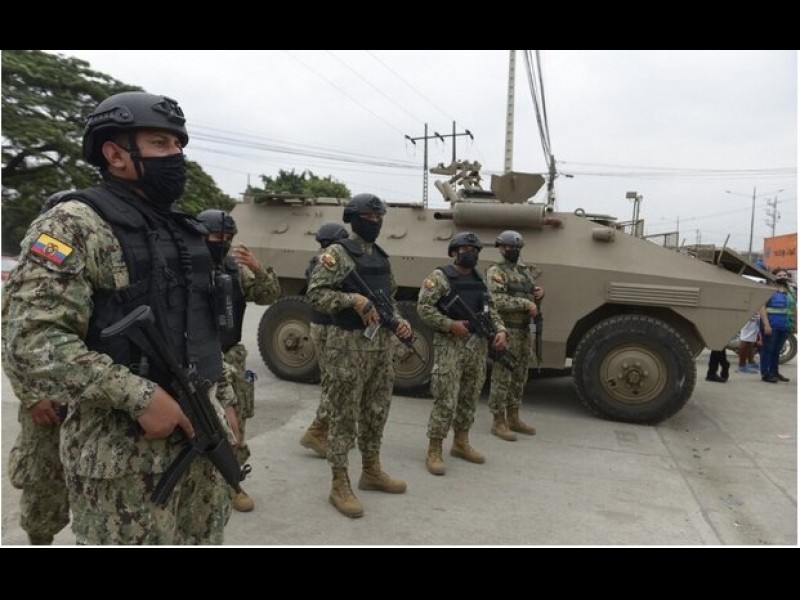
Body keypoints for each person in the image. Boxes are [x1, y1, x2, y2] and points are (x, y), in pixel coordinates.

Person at [1, 91, 238, 545]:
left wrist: (223, 396)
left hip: (201, 439)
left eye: (178, 145)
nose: (176, 156)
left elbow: (198, 330)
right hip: (122, 459)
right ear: (115, 154)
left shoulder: (180, 230)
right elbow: (31, 339)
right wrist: (140, 397)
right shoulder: (72, 225)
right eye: (159, 144)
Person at [306, 193, 412, 518]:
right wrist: (352, 300)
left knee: (376, 410)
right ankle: (339, 483)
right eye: (368, 217)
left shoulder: (380, 256)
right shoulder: (336, 254)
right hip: (347, 346)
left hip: (380, 346)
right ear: (353, 218)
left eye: (379, 217)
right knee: (343, 414)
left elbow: (389, 298)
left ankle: (371, 470)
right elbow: (316, 294)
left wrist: (400, 321)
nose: (375, 222)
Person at [196, 209, 281, 512]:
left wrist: (258, 269)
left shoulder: (236, 271)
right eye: (217, 236)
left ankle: (233, 481)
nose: (223, 242)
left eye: (229, 237)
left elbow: (268, 295)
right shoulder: (186, 268)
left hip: (231, 355)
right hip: (197, 358)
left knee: (237, 420)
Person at [418, 231, 507, 476]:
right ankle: (434, 449)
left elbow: (491, 310)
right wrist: (449, 325)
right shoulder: (440, 277)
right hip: (450, 345)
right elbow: (424, 308)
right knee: (446, 398)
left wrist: (500, 330)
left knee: (470, 396)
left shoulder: (480, 280)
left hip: (476, 347)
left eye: (475, 250)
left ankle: (461, 442)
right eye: (466, 249)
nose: (471, 254)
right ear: (454, 252)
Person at [485, 230, 543, 441]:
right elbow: (497, 300)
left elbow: (528, 294)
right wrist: (526, 303)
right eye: (509, 247)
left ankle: (513, 416)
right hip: (506, 331)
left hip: (524, 331)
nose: (513, 251)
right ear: (501, 248)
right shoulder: (496, 271)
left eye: (517, 248)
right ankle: (498, 421)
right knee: (502, 376)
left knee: (520, 376)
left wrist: (537, 295)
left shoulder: (524, 271)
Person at [299, 222, 350, 457]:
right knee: (335, 380)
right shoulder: (326, 262)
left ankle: (327, 430)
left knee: (335, 379)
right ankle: (316, 431)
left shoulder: (319, 261)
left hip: (327, 325)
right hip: (328, 327)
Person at [758, 267, 795, 383]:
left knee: (776, 351)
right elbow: (761, 307)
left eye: (784, 275)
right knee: (768, 350)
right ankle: (766, 373)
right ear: (773, 277)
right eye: (779, 275)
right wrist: (766, 325)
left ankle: (775, 372)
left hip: (785, 325)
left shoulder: (790, 291)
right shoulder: (769, 289)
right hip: (771, 325)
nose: (783, 277)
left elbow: (793, 308)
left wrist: (794, 324)